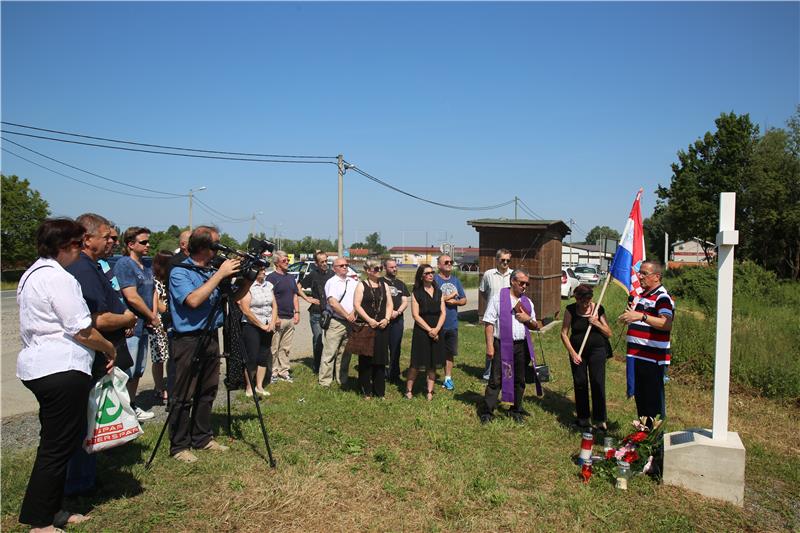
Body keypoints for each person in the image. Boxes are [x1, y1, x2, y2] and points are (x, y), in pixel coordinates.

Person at [16, 218, 116, 531]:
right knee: (57, 447)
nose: (80, 250)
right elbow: (81, 329)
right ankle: (40, 521)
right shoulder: (59, 278)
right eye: (77, 244)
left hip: (42, 366)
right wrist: (108, 349)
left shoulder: (33, 274)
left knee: (58, 442)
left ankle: (54, 509)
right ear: (66, 246)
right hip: (60, 368)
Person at [62, 213, 137, 497]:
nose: (111, 242)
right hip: (92, 354)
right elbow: (95, 320)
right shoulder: (82, 269)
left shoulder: (94, 266)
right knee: (85, 418)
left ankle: (86, 476)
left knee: (91, 416)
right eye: (106, 236)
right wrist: (127, 318)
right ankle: (79, 483)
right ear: (87, 238)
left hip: (102, 352)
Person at [168, 226, 253, 463]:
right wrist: (219, 275)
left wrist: (247, 281)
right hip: (188, 339)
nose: (220, 248)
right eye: (217, 244)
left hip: (210, 336)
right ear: (205, 247)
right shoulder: (180, 271)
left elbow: (232, 298)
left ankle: (202, 438)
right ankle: (179, 445)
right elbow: (193, 300)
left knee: (207, 390)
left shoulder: (210, 271)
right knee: (184, 393)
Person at [479, 269, 542, 424]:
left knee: (520, 379)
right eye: (522, 283)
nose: (525, 286)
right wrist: (489, 346)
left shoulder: (527, 302)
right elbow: (488, 323)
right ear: (513, 281)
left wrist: (528, 319)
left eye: (527, 283)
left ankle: (516, 409)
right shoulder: (498, 299)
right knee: (496, 378)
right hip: (502, 344)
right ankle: (487, 411)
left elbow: (536, 326)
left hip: (522, 345)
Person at [618, 261, 674, 424]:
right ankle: (643, 438)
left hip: (652, 359)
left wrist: (641, 316)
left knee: (653, 405)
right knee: (642, 403)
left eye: (644, 273)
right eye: (639, 272)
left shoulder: (662, 297)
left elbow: (666, 323)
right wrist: (630, 318)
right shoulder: (643, 295)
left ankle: (654, 443)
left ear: (657, 277)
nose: (639, 276)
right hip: (639, 356)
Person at [113, 226, 158, 421]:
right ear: (131, 244)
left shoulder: (146, 266)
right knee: (127, 370)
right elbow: (131, 296)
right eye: (144, 242)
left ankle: (131, 406)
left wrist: (153, 315)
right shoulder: (125, 264)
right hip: (132, 325)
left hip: (145, 324)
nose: (148, 245)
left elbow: (153, 291)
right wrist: (151, 316)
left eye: (148, 242)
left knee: (139, 369)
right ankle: (120, 411)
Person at [560, 284, 612, 430]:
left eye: (587, 300)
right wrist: (572, 353)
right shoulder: (570, 310)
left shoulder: (598, 309)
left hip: (597, 350)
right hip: (578, 352)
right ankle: (583, 418)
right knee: (580, 382)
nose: (584, 304)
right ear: (576, 298)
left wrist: (596, 323)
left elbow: (609, 333)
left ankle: (600, 419)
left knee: (597, 382)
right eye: (581, 301)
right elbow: (564, 333)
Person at [266, 250, 314, 383]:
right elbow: (269, 299)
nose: (287, 262)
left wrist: (297, 313)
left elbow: (294, 295)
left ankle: (284, 371)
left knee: (285, 348)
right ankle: (273, 372)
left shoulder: (290, 277)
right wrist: (274, 318)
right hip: (278, 317)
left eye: (288, 260)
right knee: (274, 347)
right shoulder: (271, 278)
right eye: (284, 260)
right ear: (276, 262)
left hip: (289, 317)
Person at [353, 260, 393, 398]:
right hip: (367, 326)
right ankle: (366, 391)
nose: (379, 270)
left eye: (380, 268)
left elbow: (389, 304)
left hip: (382, 326)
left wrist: (387, 319)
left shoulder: (385, 285)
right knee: (366, 359)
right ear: (368, 270)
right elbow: (357, 305)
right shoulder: (361, 285)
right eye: (376, 268)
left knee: (380, 360)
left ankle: (379, 391)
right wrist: (369, 320)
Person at [406, 264, 446, 400]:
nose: (431, 275)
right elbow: (415, 315)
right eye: (428, 273)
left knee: (433, 363)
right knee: (416, 363)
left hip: (437, 329)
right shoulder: (416, 293)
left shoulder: (438, 291)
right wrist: (429, 330)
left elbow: (443, 313)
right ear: (421, 276)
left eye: (432, 272)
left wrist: (436, 329)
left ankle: (429, 391)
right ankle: (408, 390)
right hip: (422, 331)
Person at [238, 267, 278, 397]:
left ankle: (259, 386)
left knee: (263, 356)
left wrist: (272, 322)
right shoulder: (248, 286)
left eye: (264, 270)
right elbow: (245, 309)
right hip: (252, 326)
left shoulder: (268, 285)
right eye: (260, 270)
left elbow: (274, 305)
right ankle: (249, 387)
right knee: (252, 357)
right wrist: (260, 325)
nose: (263, 272)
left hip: (267, 325)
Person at [318, 258, 357, 387]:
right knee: (330, 352)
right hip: (336, 322)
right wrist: (347, 315)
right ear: (334, 268)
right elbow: (333, 302)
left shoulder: (353, 281)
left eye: (346, 265)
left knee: (345, 353)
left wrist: (353, 313)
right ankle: (325, 381)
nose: (345, 267)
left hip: (350, 322)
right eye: (341, 265)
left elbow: (358, 299)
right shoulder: (332, 282)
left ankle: (342, 378)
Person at [434, 254, 467, 391]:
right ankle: (430, 378)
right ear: (439, 265)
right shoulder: (434, 279)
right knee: (434, 352)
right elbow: (434, 299)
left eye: (451, 262)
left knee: (450, 352)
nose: (449, 264)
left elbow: (464, 299)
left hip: (452, 323)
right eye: (446, 262)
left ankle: (448, 378)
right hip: (437, 323)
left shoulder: (455, 280)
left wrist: (456, 301)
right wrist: (450, 296)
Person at [479, 248, 513, 380]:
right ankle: (488, 374)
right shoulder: (488, 274)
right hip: (492, 316)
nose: (505, 263)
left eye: (508, 260)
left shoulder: (513, 275)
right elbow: (483, 291)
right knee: (490, 343)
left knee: (507, 345)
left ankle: (506, 374)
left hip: (509, 315)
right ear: (497, 260)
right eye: (502, 260)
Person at [300, 251, 334, 374]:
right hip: (316, 313)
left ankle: (329, 366)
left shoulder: (332, 274)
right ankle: (317, 366)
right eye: (322, 262)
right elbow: (298, 286)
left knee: (331, 341)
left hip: (331, 313)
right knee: (318, 340)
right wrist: (307, 298)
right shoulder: (312, 275)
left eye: (326, 261)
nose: (325, 264)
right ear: (316, 263)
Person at [151, 250, 174, 404]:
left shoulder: (171, 279)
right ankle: (159, 387)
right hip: (159, 323)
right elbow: (159, 306)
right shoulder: (155, 281)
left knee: (171, 356)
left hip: (171, 321)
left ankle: (171, 385)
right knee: (159, 357)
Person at [382, 258, 410, 382]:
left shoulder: (401, 284)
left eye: (395, 267)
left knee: (395, 348)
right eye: (391, 267)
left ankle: (394, 374)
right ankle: (381, 373)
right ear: (385, 268)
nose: (394, 269)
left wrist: (397, 312)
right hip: (383, 320)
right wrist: (388, 314)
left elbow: (405, 301)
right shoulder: (380, 282)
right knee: (381, 348)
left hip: (397, 321)